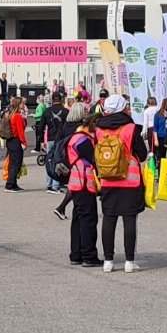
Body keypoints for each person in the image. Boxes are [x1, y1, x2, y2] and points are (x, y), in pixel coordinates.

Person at [92, 93, 149, 271]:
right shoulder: (130, 128)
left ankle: (108, 261)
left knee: (109, 219)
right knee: (129, 220)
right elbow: (142, 153)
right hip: (129, 181)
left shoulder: (99, 129)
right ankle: (129, 262)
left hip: (108, 180)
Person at [63, 106, 101, 266]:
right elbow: (94, 159)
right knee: (88, 219)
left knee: (78, 219)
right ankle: (89, 255)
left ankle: (76, 254)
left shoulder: (77, 136)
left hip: (76, 181)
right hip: (84, 182)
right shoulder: (84, 139)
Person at [2, 96, 28, 191]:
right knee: (16, 163)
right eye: (22, 103)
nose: (23, 105)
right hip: (16, 140)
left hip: (10, 141)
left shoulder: (10, 115)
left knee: (12, 163)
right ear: (19, 104)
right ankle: (10, 184)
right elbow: (20, 131)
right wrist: (24, 142)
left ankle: (13, 183)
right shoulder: (17, 116)